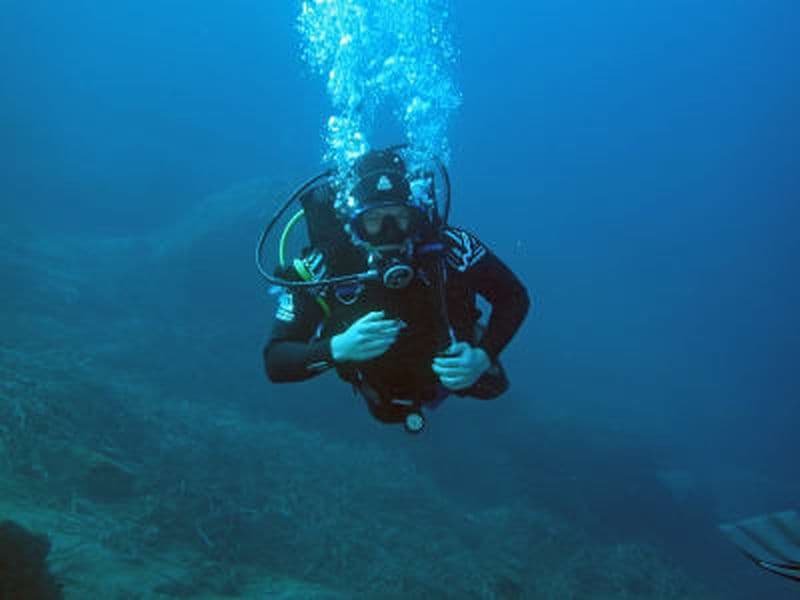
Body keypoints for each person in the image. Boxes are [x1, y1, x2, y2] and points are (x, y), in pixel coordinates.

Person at [261, 147, 529, 433]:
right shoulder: (323, 267)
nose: (389, 232)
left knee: (493, 385)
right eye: (374, 221)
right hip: (380, 388)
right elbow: (275, 361)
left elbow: (514, 296)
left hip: (452, 374)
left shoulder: (451, 248)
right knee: (385, 411)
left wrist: (483, 356)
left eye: (400, 218)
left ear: (416, 216)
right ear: (354, 224)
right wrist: (337, 348)